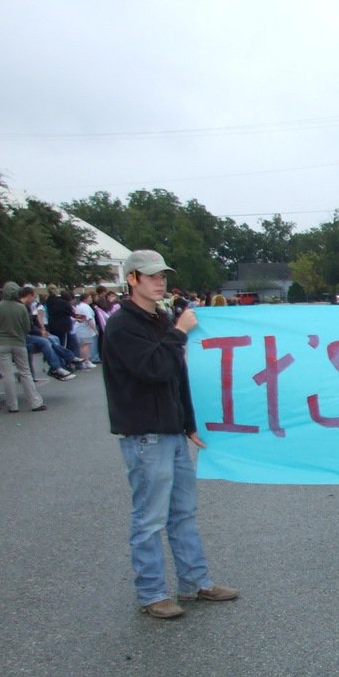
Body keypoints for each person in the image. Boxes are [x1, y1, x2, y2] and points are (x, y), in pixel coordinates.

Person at [104, 249, 238, 619]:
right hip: (144, 434)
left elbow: (178, 377)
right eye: (151, 275)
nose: (160, 281)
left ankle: (195, 582)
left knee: (183, 513)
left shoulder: (159, 318)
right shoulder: (123, 325)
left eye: (163, 275)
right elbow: (154, 369)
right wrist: (179, 333)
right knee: (149, 518)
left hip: (170, 431)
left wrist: (190, 422)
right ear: (132, 279)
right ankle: (152, 594)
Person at [0, 282, 47, 413]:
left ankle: (12, 405)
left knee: (7, 374)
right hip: (19, 342)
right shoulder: (21, 308)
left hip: (1, 342)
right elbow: (27, 327)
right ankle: (35, 402)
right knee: (25, 372)